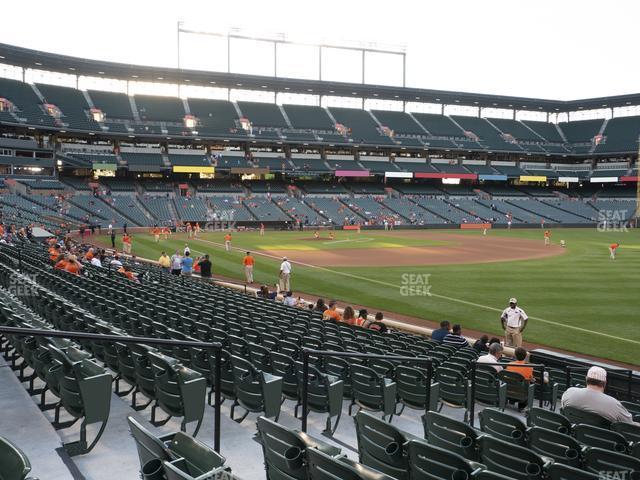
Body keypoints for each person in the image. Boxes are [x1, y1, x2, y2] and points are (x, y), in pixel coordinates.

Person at [561, 366, 636, 424]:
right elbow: (628, 426)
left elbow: (563, 410)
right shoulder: (614, 404)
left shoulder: (569, 392)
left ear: (586, 379)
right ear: (605, 383)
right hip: (603, 442)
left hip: (574, 438)